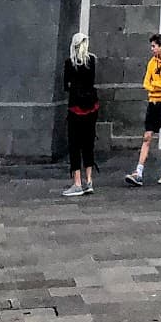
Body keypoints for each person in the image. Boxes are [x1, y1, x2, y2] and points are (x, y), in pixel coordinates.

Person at [125, 32, 161, 187]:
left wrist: (155, 85)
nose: (152, 49)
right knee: (147, 136)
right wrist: (155, 86)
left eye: (154, 46)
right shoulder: (151, 62)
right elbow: (146, 83)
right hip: (153, 102)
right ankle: (138, 172)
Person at [62, 31, 98, 198]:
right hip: (91, 107)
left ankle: (77, 182)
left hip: (76, 108)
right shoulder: (92, 61)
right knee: (88, 143)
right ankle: (89, 180)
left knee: (75, 145)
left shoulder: (70, 63)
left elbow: (66, 86)